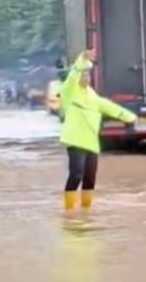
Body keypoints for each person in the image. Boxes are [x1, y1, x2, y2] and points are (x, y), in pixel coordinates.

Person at [59, 49, 138, 211]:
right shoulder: (69, 91)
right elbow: (74, 74)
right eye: (83, 75)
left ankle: (86, 209)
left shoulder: (93, 97)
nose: (86, 78)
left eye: (88, 75)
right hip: (75, 140)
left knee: (90, 178)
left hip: (91, 143)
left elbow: (110, 107)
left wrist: (131, 117)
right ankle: (68, 210)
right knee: (76, 174)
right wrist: (83, 58)